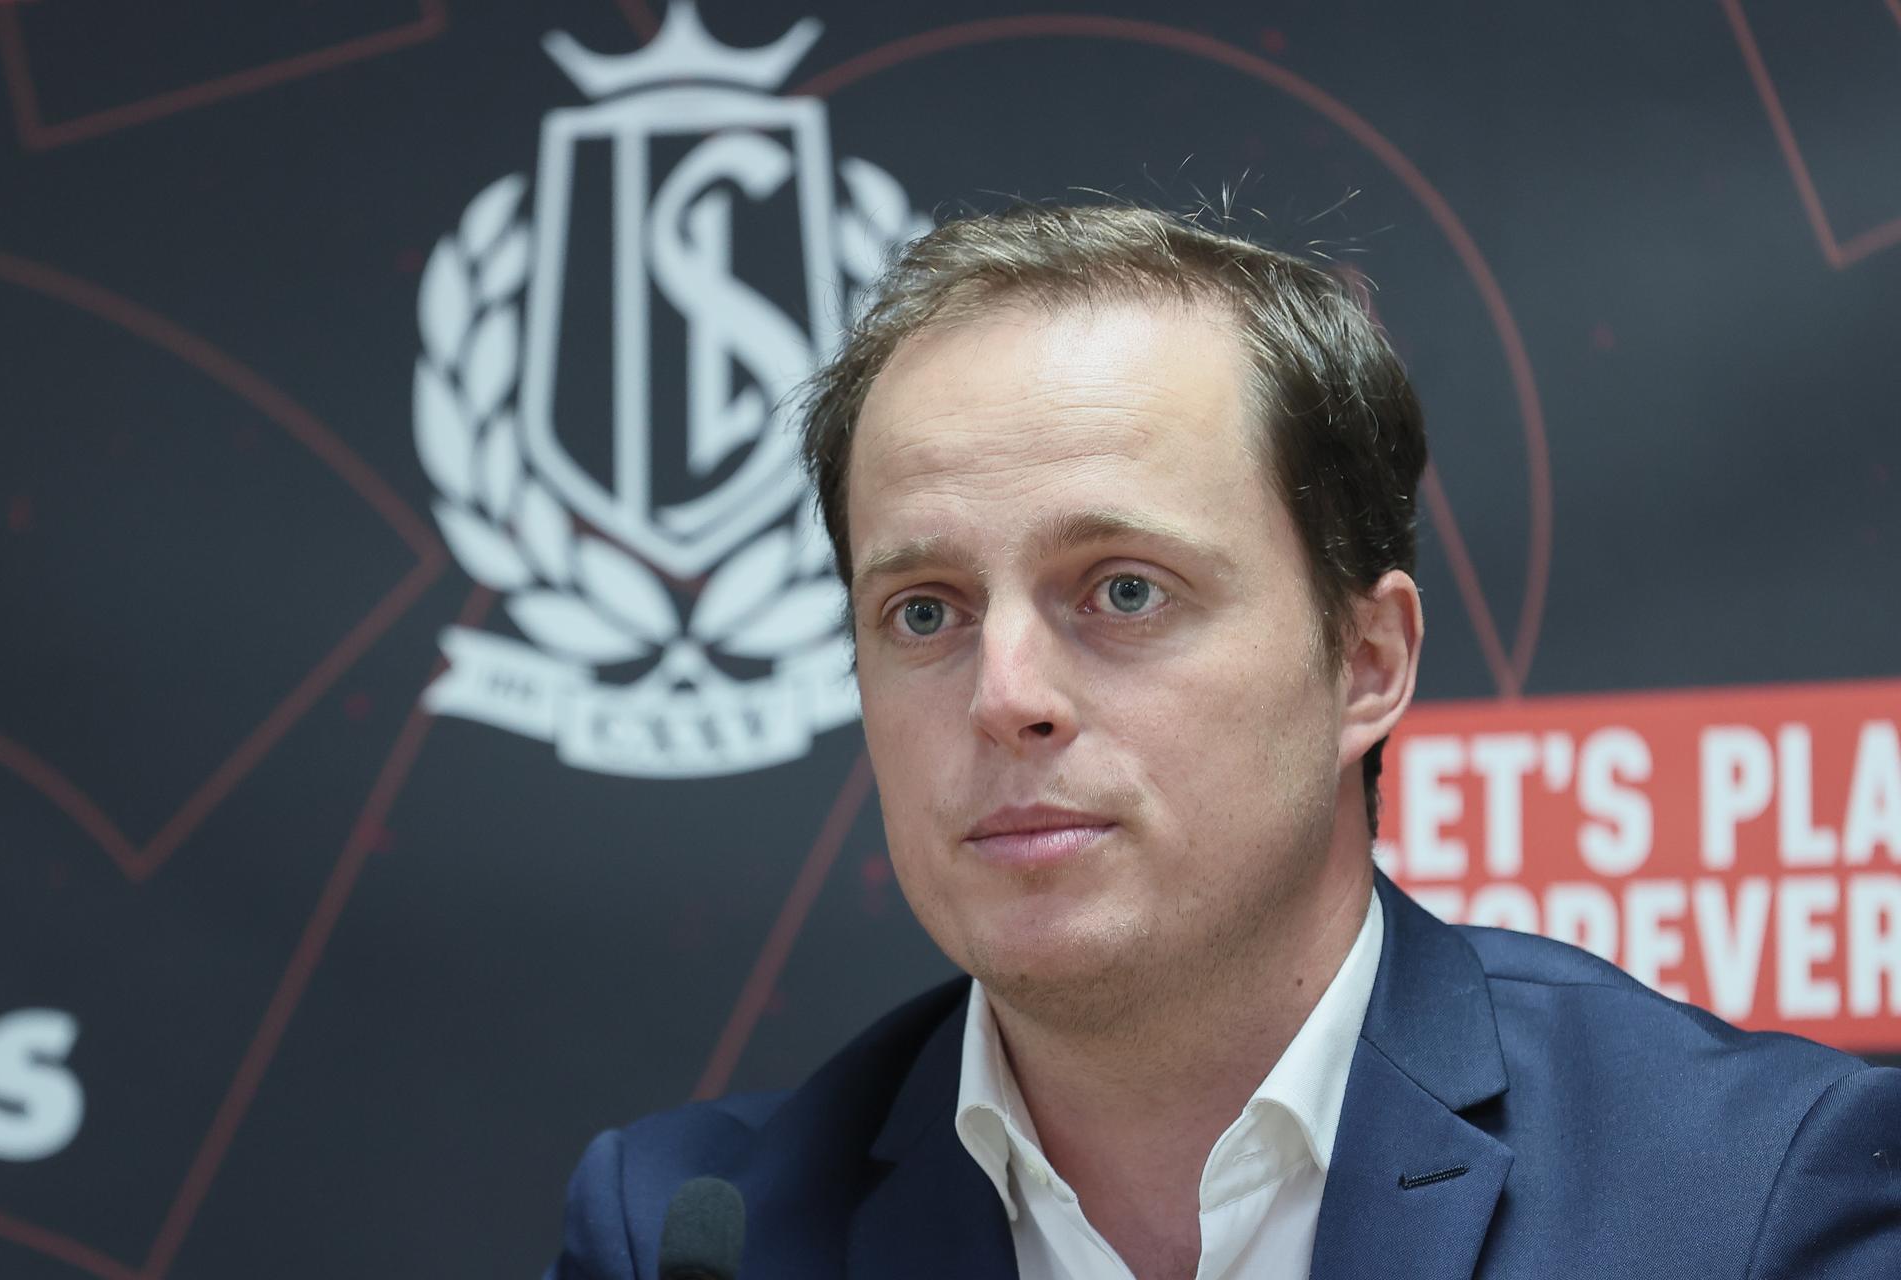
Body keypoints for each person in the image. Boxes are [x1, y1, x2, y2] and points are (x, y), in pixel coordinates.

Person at [546, 204, 1901, 1279]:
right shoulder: (692, 1235)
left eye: (1124, 590)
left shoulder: (1746, 1198)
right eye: (924, 611)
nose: (1003, 692)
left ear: (1365, 665)